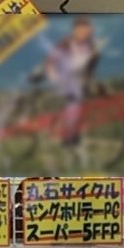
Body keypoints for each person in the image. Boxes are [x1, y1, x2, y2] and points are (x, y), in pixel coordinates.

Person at [44, 16, 101, 149]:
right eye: (80, 30)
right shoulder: (66, 44)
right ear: (75, 30)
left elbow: (89, 67)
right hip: (64, 79)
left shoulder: (91, 47)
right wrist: (55, 78)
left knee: (82, 106)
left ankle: (73, 134)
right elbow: (51, 61)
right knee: (73, 103)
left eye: (86, 30)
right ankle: (68, 136)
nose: (83, 33)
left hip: (80, 81)